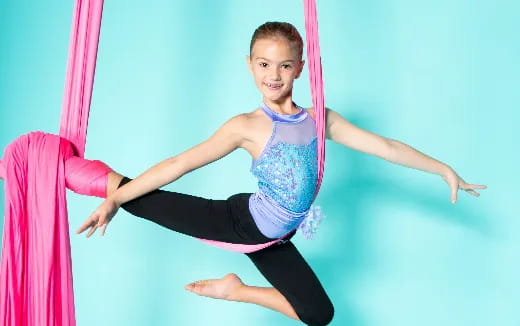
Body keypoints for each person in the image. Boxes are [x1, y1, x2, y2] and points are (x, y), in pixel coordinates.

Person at [75, 22, 486, 326]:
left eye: (284, 65)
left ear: (301, 68)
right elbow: (178, 164)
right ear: (250, 65)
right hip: (242, 221)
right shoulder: (245, 126)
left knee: (319, 314)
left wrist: (442, 169)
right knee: (146, 204)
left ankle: (234, 290)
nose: (273, 75)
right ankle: (76, 174)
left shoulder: (319, 120)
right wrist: (114, 201)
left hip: (274, 237)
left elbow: (386, 147)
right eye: (264, 64)